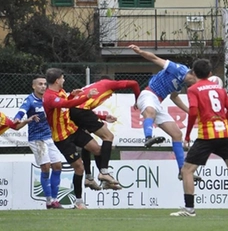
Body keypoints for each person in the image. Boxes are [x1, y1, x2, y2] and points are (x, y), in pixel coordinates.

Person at [170, 58, 228, 217]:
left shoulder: (193, 89)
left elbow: (193, 111)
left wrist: (187, 135)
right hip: (224, 134)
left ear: (193, 73)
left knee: (187, 170)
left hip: (207, 136)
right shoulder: (220, 90)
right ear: (210, 73)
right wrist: (222, 121)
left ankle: (189, 209)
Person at [42, 68, 115, 209]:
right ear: (57, 80)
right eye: (62, 78)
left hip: (72, 130)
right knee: (78, 167)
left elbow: (66, 105)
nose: (64, 80)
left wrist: (71, 96)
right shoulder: (49, 97)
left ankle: (101, 177)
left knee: (98, 150)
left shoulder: (61, 92)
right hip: (61, 137)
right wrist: (86, 96)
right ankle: (79, 202)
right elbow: (65, 104)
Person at [128, 44, 201, 181]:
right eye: (196, 80)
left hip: (158, 102)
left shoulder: (182, 83)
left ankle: (182, 170)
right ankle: (148, 137)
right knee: (151, 112)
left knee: (177, 134)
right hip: (149, 94)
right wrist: (140, 51)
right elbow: (155, 58)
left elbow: (174, 97)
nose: (195, 84)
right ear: (193, 74)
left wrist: (190, 111)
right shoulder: (177, 69)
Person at [70, 77, 140, 190]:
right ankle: (104, 172)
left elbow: (82, 106)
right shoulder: (108, 83)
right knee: (108, 136)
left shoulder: (91, 86)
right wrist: (138, 100)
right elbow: (134, 83)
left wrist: (103, 117)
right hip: (81, 112)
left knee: (90, 145)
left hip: (73, 112)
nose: (111, 95)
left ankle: (89, 177)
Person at [13, 75, 64, 209]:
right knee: (46, 166)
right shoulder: (30, 100)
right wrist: (19, 119)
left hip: (49, 137)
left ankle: (55, 199)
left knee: (57, 166)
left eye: (44, 84)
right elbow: (21, 111)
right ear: (34, 86)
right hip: (37, 139)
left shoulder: (49, 98)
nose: (43, 86)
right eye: (40, 84)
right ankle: (49, 201)